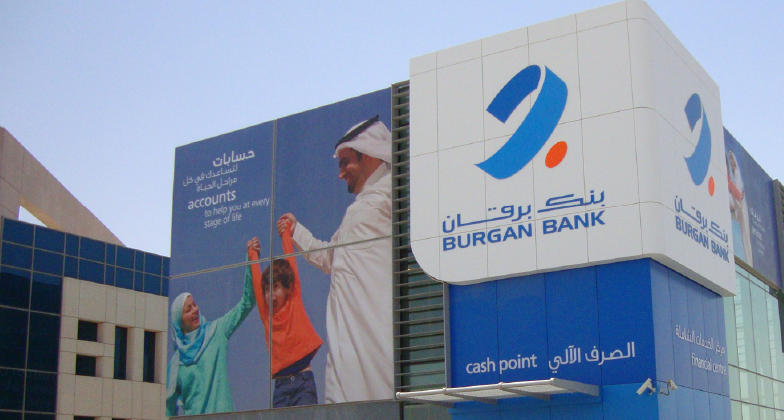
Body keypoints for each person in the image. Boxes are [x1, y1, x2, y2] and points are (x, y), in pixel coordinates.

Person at [277, 115, 393, 403]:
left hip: (376, 339)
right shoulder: (359, 210)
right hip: (347, 344)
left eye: (345, 163)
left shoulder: (392, 196)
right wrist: (297, 231)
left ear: (369, 155)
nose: (340, 174)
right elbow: (329, 258)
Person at [246, 232, 322, 407]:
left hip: (303, 381)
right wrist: (253, 254)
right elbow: (257, 282)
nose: (270, 294)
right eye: (267, 289)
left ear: (287, 288)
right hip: (281, 388)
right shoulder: (266, 314)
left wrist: (285, 234)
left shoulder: (293, 300)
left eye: (276, 287)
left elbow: (291, 262)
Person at [165, 269, 255, 415]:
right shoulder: (176, 364)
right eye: (188, 309)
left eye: (194, 305)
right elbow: (168, 410)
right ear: (178, 323)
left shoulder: (217, 331)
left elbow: (247, 302)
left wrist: (251, 261)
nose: (195, 310)